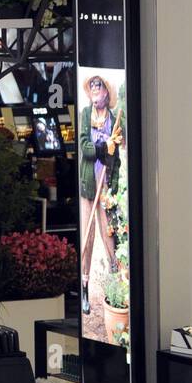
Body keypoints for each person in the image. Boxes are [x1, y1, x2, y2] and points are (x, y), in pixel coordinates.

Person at [78, 74, 122, 315]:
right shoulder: (86, 114)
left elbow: (114, 161)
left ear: (106, 92)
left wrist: (113, 188)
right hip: (88, 186)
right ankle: (84, 288)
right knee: (88, 237)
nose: (95, 90)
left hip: (104, 185)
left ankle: (116, 286)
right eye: (92, 86)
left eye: (99, 86)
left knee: (109, 236)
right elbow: (85, 148)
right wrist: (104, 147)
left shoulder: (114, 120)